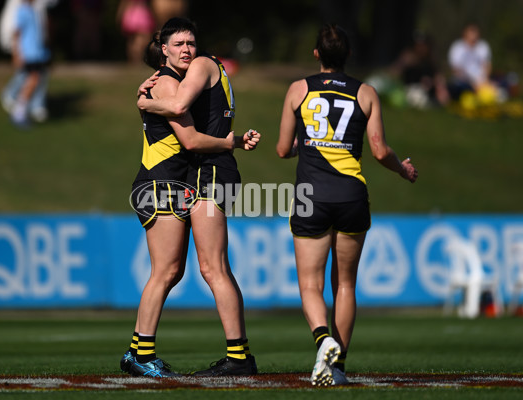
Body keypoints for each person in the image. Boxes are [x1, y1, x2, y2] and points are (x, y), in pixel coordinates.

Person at [276, 24, 418, 386]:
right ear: (349, 56)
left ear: (316, 54)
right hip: (351, 195)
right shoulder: (366, 92)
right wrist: (401, 169)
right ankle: (337, 368)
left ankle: (322, 339)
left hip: (312, 195)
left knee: (310, 284)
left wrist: (306, 145)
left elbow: (281, 149)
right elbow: (379, 150)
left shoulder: (299, 89)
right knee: (346, 285)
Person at [120, 18, 259, 378]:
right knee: (170, 270)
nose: (186, 49)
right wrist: (232, 141)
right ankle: (141, 353)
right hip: (161, 184)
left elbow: (183, 119)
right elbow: (191, 139)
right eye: (178, 43)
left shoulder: (177, 79)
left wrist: (143, 101)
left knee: (177, 270)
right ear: (163, 49)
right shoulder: (168, 82)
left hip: (179, 181)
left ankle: (139, 351)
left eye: (191, 43)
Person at [0, 0, 55, 123]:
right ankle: (17, 109)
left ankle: (21, 109)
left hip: (37, 53)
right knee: (32, 79)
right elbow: (16, 33)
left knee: (33, 80)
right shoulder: (22, 11)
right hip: (29, 53)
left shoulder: (34, 10)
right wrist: (17, 53)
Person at [447, 23, 493, 101]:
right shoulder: (457, 47)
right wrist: (471, 83)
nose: (473, 36)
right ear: (465, 34)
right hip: (463, 81)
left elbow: (487, 65)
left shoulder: (483, 46)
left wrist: (484, 80)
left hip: (481, 82)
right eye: (471, 33)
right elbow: (455, 69)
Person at [117, 0, 155, 65]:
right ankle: (136, 59)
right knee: (139, 40)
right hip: (140, 14)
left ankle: (134, 60)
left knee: (133, 41)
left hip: (132, 14)